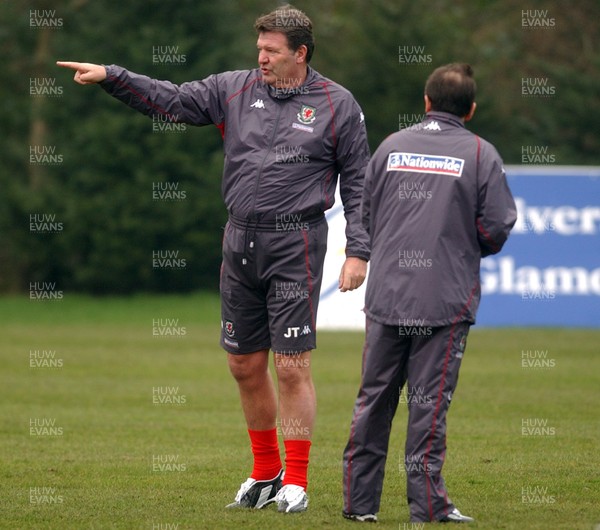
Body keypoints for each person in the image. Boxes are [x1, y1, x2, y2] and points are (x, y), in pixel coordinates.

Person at [57, 4, 369, 514]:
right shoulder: (234, 88)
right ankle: (265, 472)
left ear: (301, 53)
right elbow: (173, 100)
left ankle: (296, 478)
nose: (261, 58)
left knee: (292, 366)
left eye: (271, 50)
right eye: (259, 49)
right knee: (244, 364)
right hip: (240, 242)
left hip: (297, 247)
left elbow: (359, 183)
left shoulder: (338, 104)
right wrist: (114, 77)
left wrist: (359, 250)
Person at [342, 63, 517, 524]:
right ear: (472, 109)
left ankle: (360, 506)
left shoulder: (392, 146)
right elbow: (496, 228)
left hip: (387, 298)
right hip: (444, 301)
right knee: (427, 405)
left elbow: (365, 213)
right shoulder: (481, 154)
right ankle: (428, 507)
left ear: (425, 102)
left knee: (373, 401)